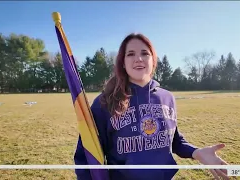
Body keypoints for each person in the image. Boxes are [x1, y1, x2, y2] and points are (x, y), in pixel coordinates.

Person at [74, 33, 229, 180]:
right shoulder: (104, 102)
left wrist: (196, 152)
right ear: (123, 62)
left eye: (144, 53)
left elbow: (174, 140)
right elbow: (86, 155)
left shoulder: (167, 97)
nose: (138, 59)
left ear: (153, 60)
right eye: (131, 54)